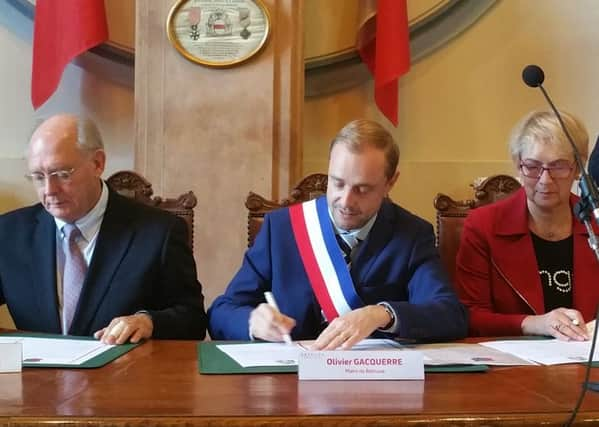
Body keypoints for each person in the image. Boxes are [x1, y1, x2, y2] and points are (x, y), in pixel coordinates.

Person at [208, 119, 467, 349]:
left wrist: (382, 314)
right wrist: (253, 322)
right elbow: (220, 312)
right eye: (337, 183)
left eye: (363, 189)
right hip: (288, 385)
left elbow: (449, 315)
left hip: (373, 388)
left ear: (391, 183)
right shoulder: (281, 229)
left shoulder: (411, 235)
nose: (345, 200)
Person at [0, 114, 207, 343]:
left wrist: (148, 321)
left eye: (62, 174)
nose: (49, 190)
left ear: (98, 163)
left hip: (123, 375)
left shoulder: (159, 233)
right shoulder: (9, 233)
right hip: (36, 377)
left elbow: (193, 321)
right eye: (38, 177)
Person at [456, 110, 599, 340]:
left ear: (578, 169)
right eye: (532, 167)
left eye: (559, 166)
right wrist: (534, 324)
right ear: (518, 166)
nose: (545, 180)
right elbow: (469, 316)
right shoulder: (484, 226)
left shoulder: (596, 222)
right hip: (512, 368)